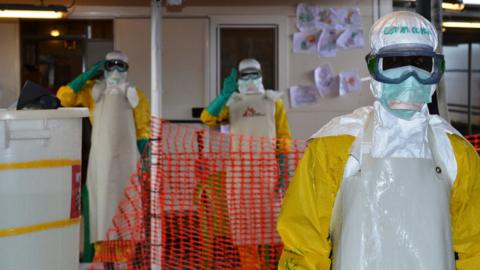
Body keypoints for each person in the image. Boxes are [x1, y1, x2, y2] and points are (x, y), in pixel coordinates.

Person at [277, 11, 480, 270]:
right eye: (395, 64)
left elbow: (474, 245)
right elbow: (304, 242)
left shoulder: (456, 151)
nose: (410, 77)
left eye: (421, 64)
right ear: (374, 70)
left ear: (435, 72)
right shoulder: (335, 144)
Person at [57, 50, 151, 263]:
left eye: (121, 66)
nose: (116, 71)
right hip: (101, 164)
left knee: (127, 209)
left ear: (127, 69)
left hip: (127, 164)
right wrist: (84, 77)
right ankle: (101, 259)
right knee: (101, 210)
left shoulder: (137, 95)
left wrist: (146, 158)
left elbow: (143, 129)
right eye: (111, 66)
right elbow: (63, 98)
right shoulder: (92, 91)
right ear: (104, 68)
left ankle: (125, 260)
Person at [200, 58, 291, 269]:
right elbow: (207, 118)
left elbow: (283, 137)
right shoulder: (231, 102)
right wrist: (223, 96)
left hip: (268, 175)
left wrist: (284, 171)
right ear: (239, 78)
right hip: (240, 177)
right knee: (245, 231)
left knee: (274, 230)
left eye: (254, 74)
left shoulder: (273, 101)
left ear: (261, 74)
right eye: (245, 75)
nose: (250, 79)